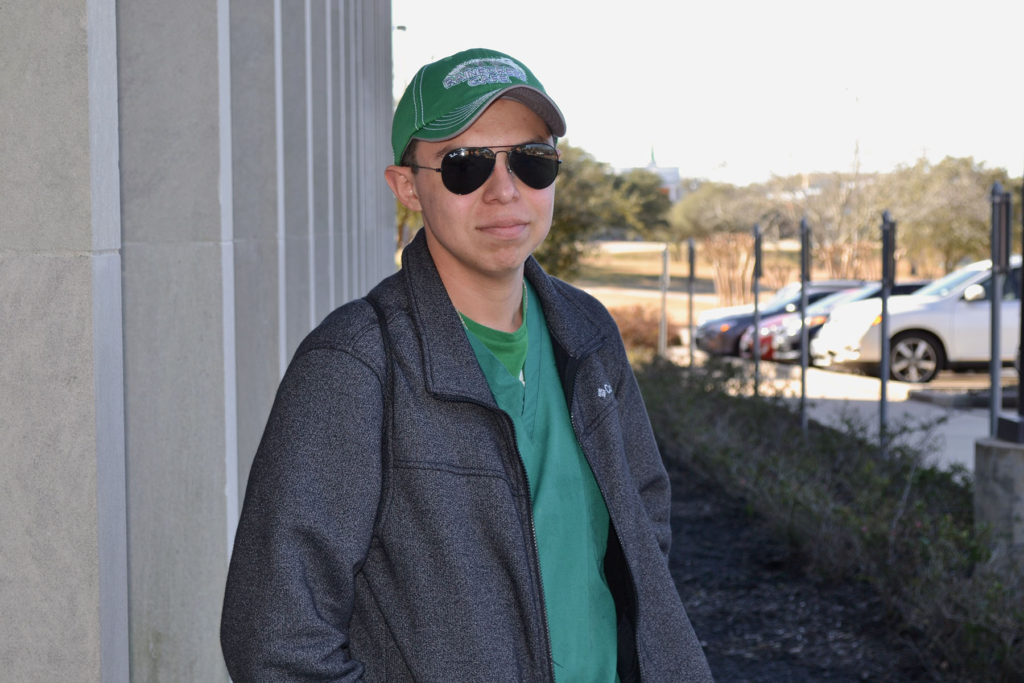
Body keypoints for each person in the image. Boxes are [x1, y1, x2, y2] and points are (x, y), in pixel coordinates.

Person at [221, 47, 712, 682]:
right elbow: (274, 638)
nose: (504, 191)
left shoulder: (587, 333)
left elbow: (643, 522)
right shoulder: (355, 366)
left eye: (531, 161)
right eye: (465, 165)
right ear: (407, 187)